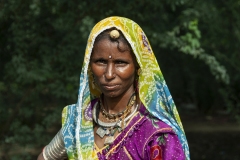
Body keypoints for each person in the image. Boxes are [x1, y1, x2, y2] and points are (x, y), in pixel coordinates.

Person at [37, 16, 189, 160]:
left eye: (121, 63)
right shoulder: (78, 121)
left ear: (138, 67)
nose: (109, 74)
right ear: (89, 66)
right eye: (101, 61)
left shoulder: (157, 135)